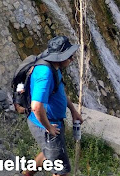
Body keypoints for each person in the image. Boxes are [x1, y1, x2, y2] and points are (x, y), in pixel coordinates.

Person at [22, 35, 83, 176]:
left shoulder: (53, 67)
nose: (72, 59)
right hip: (46, 126)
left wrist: (73, 110)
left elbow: (58, 92)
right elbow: (36, 106)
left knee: (47, 152)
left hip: (50, 123)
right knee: (61, 171)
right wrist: (48, 127)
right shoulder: (45, 74)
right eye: (70, 56)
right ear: (60, 57)